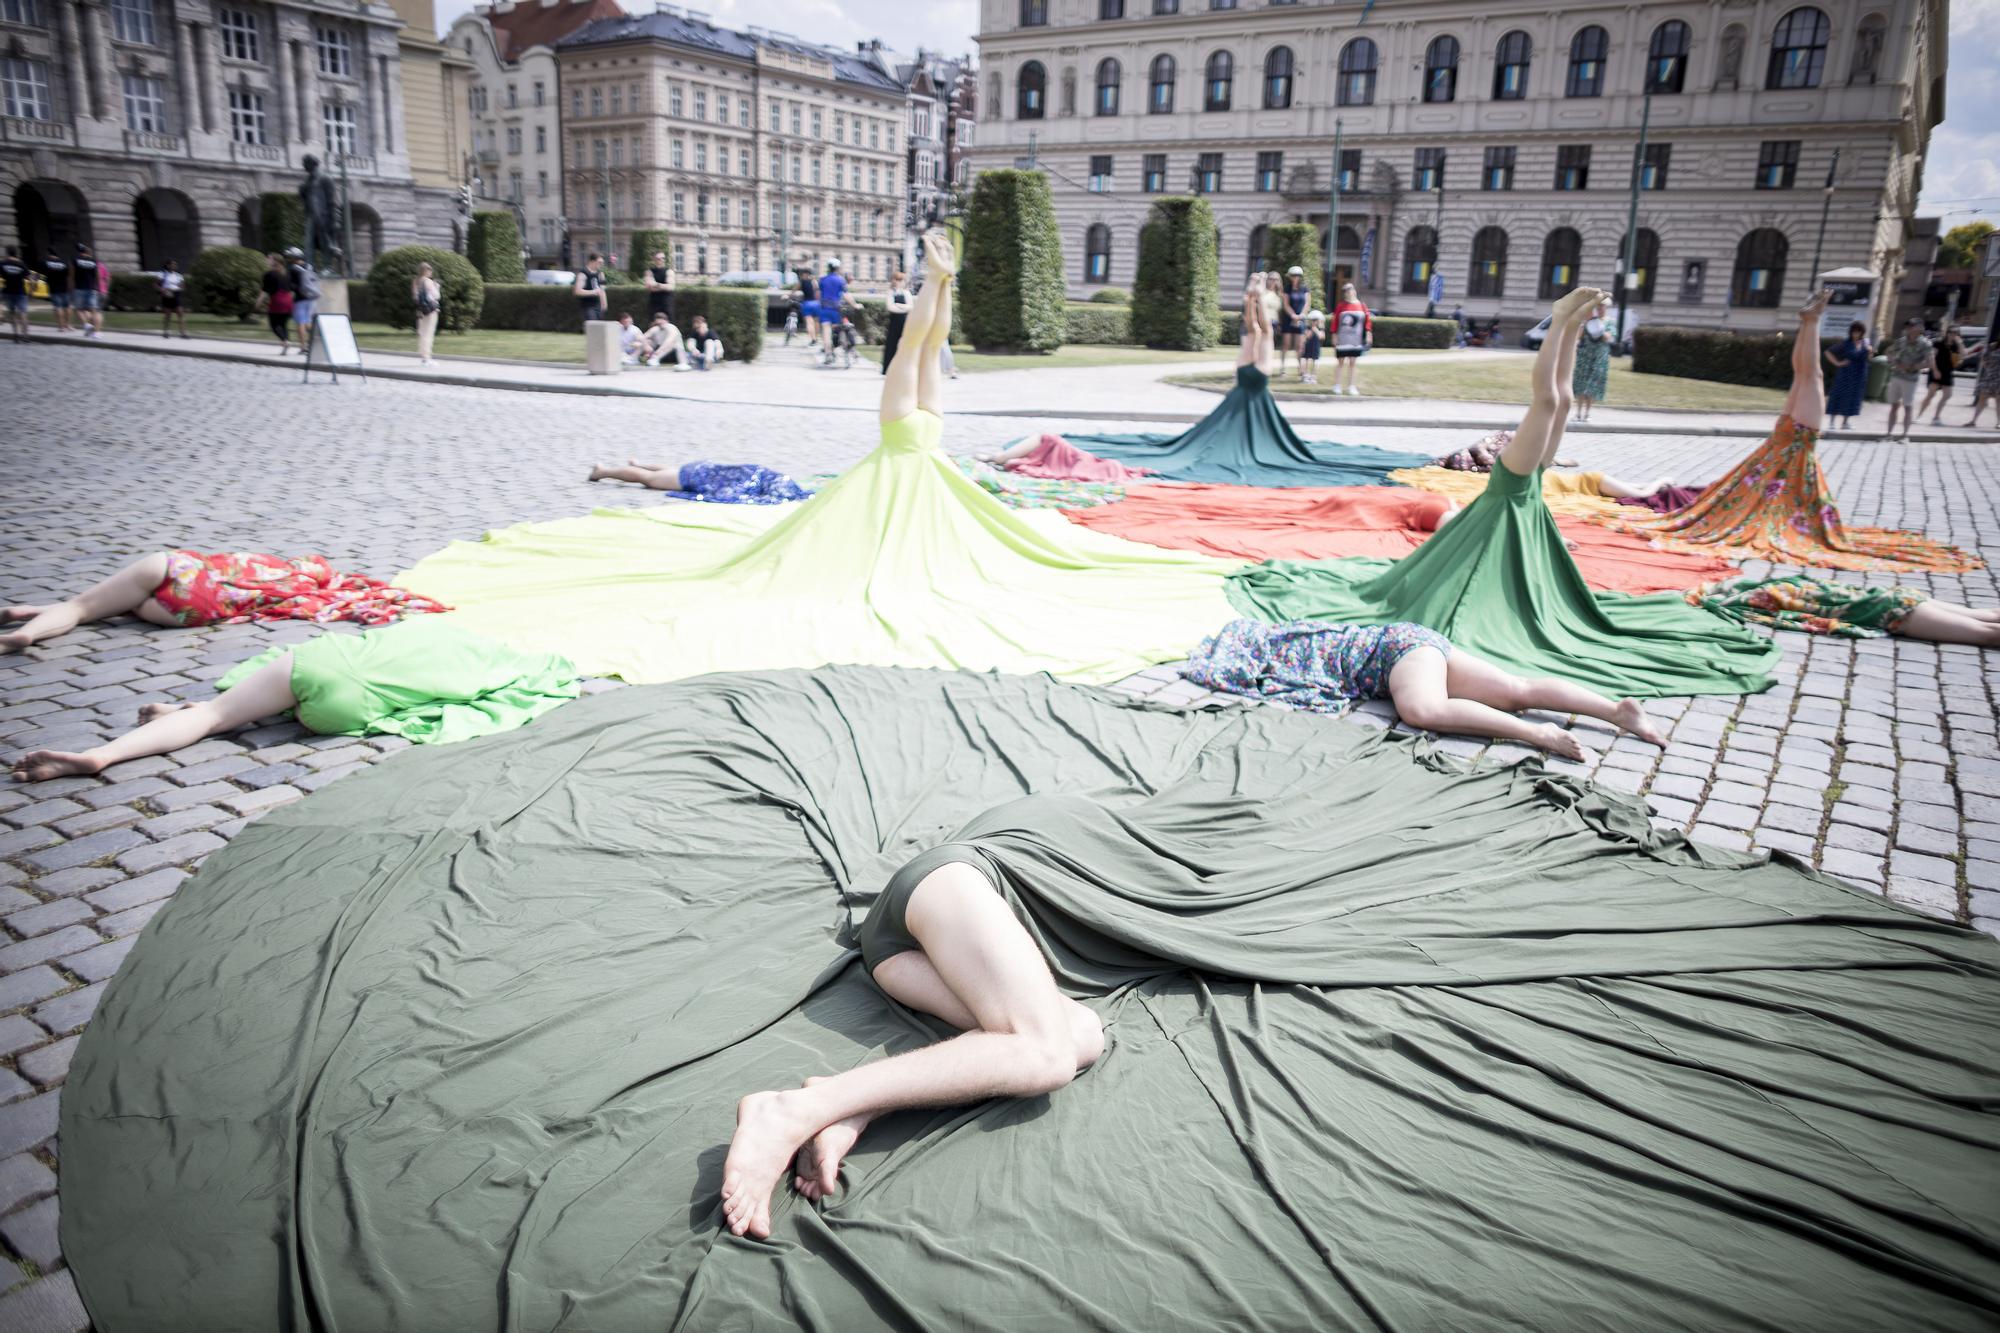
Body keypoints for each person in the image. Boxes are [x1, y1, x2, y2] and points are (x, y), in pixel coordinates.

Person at [1610, 291, 1977, 573]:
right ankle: (1810, 321)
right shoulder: (1800, 451)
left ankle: (1809, 321)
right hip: (1795, 439)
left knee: (1806, 376)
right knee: (1809, 376)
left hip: (1787, 438)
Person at [8, 617, 578, 783]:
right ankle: (179, 716)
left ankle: (104, 754)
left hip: (328, 665)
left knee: (216, 713)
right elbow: (446, 710)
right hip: (348, 710)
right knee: (256, 712)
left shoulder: (436, 627)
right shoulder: (500, 671)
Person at [1184, 617, 1666, 759]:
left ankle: (1539, 736)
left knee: (1422, 710)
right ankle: (1616, 712)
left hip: (1397, 653)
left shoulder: (1280, 649)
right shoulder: (1299, 635)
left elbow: (1244, 676)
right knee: (1516, 689)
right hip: (1413, 639)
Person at [1, 550, 448, 654]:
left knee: (83, 606)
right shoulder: (293, 588)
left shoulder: (261, 563)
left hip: (177, 572)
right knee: (115, 606)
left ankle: (28, 630)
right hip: (190, 612)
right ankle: (32, 617)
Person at [1691, 576, 1999, 647]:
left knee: (1986, 631)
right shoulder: (1792, 586)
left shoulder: (1770, 597)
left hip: (1892, 610)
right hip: (1896, 598)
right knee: (1985, 617)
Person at [586, 459, 813, 503]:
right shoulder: (755, 486)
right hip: (697, 477)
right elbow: (730, 495)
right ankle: (602, 471)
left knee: (671, 471)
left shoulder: (766, 475)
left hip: (703, 468)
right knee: (651, 480)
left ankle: (637, 463)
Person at [1882, 317, 1934, 440]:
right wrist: (1894, 361)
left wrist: (1913, 366)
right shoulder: (1901, 341)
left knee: (1907, 407)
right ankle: (1889, 434)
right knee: (1894, 406)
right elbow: (1888, 352)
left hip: (1910, 379)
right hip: (1897, 376)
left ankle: (1905, 436)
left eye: (1912, 325)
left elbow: (1930, 362)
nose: (1909, 328)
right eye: (1908, 326)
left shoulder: (1925, 344)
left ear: (1920, 328)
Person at [1822, 319, 1871, 430]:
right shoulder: (1846, 344)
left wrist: (1870, 352)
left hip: (1859, 375)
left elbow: (1868, 358)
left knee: (1853, 397)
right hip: (1845, 374)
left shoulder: (1865, 343)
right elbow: (1828, 352)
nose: (1856, 334)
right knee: (1838, 395)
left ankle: (1845, 422)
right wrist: (1838, 363)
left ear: (1862, 332)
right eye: (1854, 331)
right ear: (1851, 332)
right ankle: (1832, 422)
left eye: (1858, 331)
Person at [1571, 300, 1613, 421]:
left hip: (1599, 357)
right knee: (1581, 384)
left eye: (1602, 306)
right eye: (1598, 306)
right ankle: (1578, 413)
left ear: (1606, 308)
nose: (1600, 308)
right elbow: (1579, 336)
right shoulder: (1589, 320)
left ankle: (1587, 413)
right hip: (1585, 357)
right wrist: (1586, 323)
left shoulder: (1609, 322)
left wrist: (1599, 327)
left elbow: (1608, 337)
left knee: (1592, 386)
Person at [1329, 281, 1372, 396]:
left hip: (1356, 340)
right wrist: (1334, 336)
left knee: (1353, 362)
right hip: (1343, 339)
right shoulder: (1341, 306)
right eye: (1345, 291)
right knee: (1340, 362)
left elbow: (1367, 322)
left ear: (1354, 291)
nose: (1348, 293)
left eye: (1349, 290)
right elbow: (1335, 322)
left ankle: (1351, 386)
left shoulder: (1362, 306)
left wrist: (1368, 334)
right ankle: (1337, 385)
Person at [1918, 325, 1964, 426]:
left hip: (1948, 372)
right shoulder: (1938, 343)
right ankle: (1919, 415)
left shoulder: (1956, 345)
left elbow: (1962, 356)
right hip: (1937, 370)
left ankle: (1936, 417)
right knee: (1931, 395)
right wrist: (1934, 370)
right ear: (1947, 333)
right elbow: (1932, 357)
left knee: (1948, 394)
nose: (1953, 335)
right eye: (1951, 332)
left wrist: (1960, 344)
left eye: (1956, 333)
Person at [285, 247, 320, 355]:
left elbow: (290, 286)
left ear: (293, 257)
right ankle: (317, 341)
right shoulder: (309, 266)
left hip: (300, 299)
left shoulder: (292, 269)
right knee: (308, 322)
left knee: (300, 323)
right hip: (311, 298)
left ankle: (303, 347)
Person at [258, 253, 294, 354]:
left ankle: (285, 341)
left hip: (277, 301)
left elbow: (265, 291)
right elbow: (291, 289)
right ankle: (285, 348)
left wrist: (258, 303)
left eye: (269, 258)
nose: (267, 260)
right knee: (283, 325)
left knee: (273, 325)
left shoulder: (269, 274)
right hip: (288, 301)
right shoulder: (287, 273)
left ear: (275, 261)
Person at [880, 270, 911, 375]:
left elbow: (910, 307)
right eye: (897, 280)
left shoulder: (906, 293)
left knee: (905, 345)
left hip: (904, 321)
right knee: (891, 345)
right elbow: (890, 307)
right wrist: (902, 307)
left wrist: (898, 305)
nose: (899, 282)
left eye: (901, 280)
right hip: (893, 322)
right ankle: (888, 369)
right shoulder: (890, 292)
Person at [816, 259, 848, 362]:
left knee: (826, 332)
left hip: (824, 308)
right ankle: (835, 349)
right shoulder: (840, 280)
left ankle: (828, 353)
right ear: (838, 268)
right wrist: (855, 304)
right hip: (836, 309)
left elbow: (819, 294)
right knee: (836, 331)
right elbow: (846, 294)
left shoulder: (822, 279)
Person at [1280, 267, 1309, 376]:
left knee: (1299, 346)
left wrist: (1301, 315)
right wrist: (1293, 315)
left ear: (1300, 277)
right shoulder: (1287, 289)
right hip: (1288, 319)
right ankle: (1283, 369)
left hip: (1300, 320)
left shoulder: (1305, 289)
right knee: (1286, 344)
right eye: (1292, 275)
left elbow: (1307, 304)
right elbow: (1286, 304)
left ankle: (1301, 369)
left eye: (1296, 275)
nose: (1294, 277)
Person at [1966, 335, 2000, 428]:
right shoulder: (1992, 346)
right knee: (1982, 399)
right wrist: (1988, 367)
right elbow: (1983, 357)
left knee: (1998, 401)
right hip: (1990, 375)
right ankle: (1973, 421)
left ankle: (1998, 422)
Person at [71, 244, 103, 338]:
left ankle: (86, 325)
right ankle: (96, 333)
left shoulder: (75, 261)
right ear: (87, 252)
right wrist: (98, 287)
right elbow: (98, 276)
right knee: (95, 310)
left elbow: (71, 276)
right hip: (92, 288)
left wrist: (71, 287)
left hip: (79, 288)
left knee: (79, 309)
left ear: (79, 252)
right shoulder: (94, 261)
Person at [412, 261, 441, 365]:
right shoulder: (428, 281)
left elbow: (415, 297)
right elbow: (436, 296)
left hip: (420, 310)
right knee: (429, 333)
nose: (431, 272)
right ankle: (427, 357)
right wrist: (437, 287)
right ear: (426, 271)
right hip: (430, 310)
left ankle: (423, 356)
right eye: (430, 270)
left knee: (422, 333)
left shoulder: (415, 281)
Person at [0, 246, 29, 343]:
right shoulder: (21, 263)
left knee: (12, 313)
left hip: (8, 291)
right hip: (21, 291)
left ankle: (16, 335)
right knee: (23, 313)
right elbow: (28, 276)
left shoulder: (3, 263)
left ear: (7, 253)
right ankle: (25, 336)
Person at [573, 254, 607, 328]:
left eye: (602, 263)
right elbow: (577, 291)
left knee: (600, 331)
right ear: (592, 261)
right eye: (599, 262)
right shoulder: (583, 273)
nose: (601, 265)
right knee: (593, 329)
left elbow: (603, 290)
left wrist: (604, 305)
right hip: (588, 307)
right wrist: (593, 292)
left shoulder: (601, 274)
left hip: (598, 306)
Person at [42, 246, 71, 334]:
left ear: (48, 253)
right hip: (64, 287)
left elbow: (43, 274)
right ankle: (68, 324)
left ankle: (61, 327)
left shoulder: (46, 262)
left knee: (58, 307)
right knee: (67, 306)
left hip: (53, 287)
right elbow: (68, 275)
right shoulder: (64, 263)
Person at [158, 260, 189, 339]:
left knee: (180, 313)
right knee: (168, 315)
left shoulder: (178, 275)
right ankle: (166, 332)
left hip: (176, 295)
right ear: (168, 265)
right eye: (173, 264)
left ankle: (183, 333)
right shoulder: (163, 275)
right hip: (167, 295)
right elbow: (156, 285)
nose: (174, 266)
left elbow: (183, 286)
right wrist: (163, 290)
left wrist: (180, 287)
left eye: (175, 264)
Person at [643, 251, 674, 325]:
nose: (661, 260)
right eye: (658, 258)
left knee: (668, 324)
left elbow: (670, 287)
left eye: (663, 258)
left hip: (666, 302)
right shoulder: (649, 272)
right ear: (654, 259)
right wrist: (664, 285)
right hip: (654, 302)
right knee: (653, 324)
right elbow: (649, 286)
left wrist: (656, 284)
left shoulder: (669, 271)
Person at [797, 266, 821, 344]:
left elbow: (793, 291)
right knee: (816, 322)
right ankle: (816, 338)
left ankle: (813, 339)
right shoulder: (814, 281)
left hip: (807, 303)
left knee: (809, 322)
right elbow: (818, 292)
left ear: (803, 274)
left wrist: (788, 295)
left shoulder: (801, 282)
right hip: (816, 303)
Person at [1299, 310, 1324, 384]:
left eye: (1316, 320)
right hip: (1308, 346)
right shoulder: (1308, 327)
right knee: (1306, 359)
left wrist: (1316, 330)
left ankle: (1313, 376)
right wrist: (1311, 330)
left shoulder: (1320, 328)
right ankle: (1305, 375)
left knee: (1315, 361)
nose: (1314, 322)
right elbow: (1306, 337)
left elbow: (1322, 337)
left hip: (1316, 347)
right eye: (1313, 320)